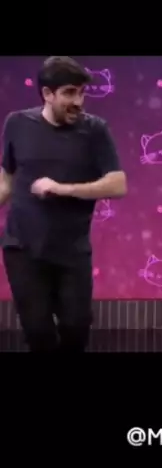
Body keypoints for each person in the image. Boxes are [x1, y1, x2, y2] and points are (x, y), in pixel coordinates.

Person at [0, 56, 127, 352]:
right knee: (38, 333)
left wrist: (62, 188)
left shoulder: (95, 130)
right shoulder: (17, 123)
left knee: (75, 329)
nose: (78, 102)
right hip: (22, 248)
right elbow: (6, 181)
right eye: (69, 93)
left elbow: (118, 184)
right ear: (47, 93)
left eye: (82, 93)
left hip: (72, 251)